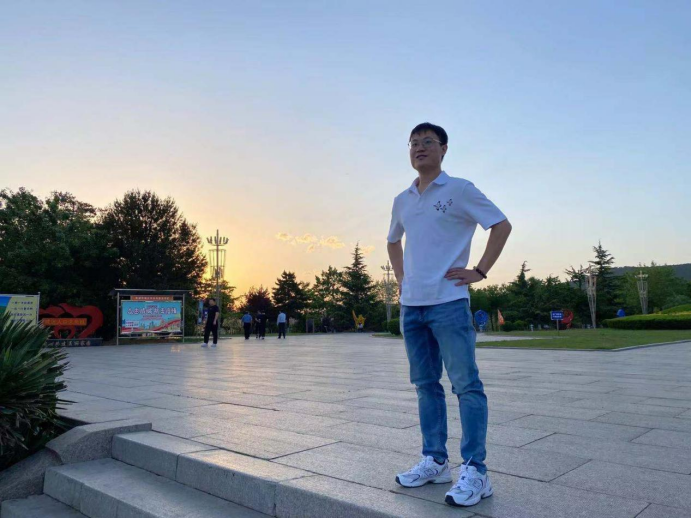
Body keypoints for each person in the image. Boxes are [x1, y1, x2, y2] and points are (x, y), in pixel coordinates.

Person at [388, 123, 512, 507]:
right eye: (413, 143)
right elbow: (392, 241)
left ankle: (476, 471)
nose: (419, 148)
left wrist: (480, 271)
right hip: (413, 307)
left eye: (428, 142)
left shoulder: (459, 189)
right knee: (426, 385)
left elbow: (501, 225)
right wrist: (403, 280)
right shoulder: (402, 199)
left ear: (444, 149)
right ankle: (435, 461)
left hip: (449, 303)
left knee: (466, 385)